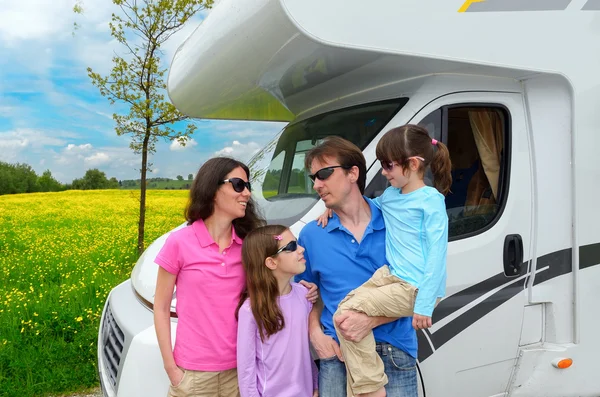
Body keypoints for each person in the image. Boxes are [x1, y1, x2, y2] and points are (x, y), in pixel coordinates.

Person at [318, 125, 452, 397]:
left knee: (349, 311)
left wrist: (424, 305)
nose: (383, 172)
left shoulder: (431, 202)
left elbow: (437, 255)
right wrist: (329, 207)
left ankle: (371, 388)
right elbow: (363, 205)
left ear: (413, 164)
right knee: (342, 313)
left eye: (389, 166)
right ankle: (368, 384)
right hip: (392, 278)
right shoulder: (390, 197)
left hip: (416, 287)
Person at [295, 136, 419, 397]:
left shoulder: (397, 220)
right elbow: (305, 297)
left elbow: (421, 288)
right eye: (313, 178)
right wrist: (315, 334)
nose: (317, 184)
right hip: (337, 354)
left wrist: (371, 320)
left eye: (324, 174)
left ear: (353, 173)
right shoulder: (311, 235)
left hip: (394, 351)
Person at [153, 157, 264, 397]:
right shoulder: (179, 243)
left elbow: (283, 258)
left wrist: (329, 211)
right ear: (213, 189)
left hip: (240, 371)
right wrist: (171, 368)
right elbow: (160, 307)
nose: (246, 193)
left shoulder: (249, 244)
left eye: (247, 186)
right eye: (238, 185)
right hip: (193, 376)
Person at [235, 225, 319, 397]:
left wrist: (315, 384)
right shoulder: (250, 310)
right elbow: (246, 369)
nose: (301, 249)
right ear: (271, 262)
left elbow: (305, 351)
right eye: (292, 247)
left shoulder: (305, 296)